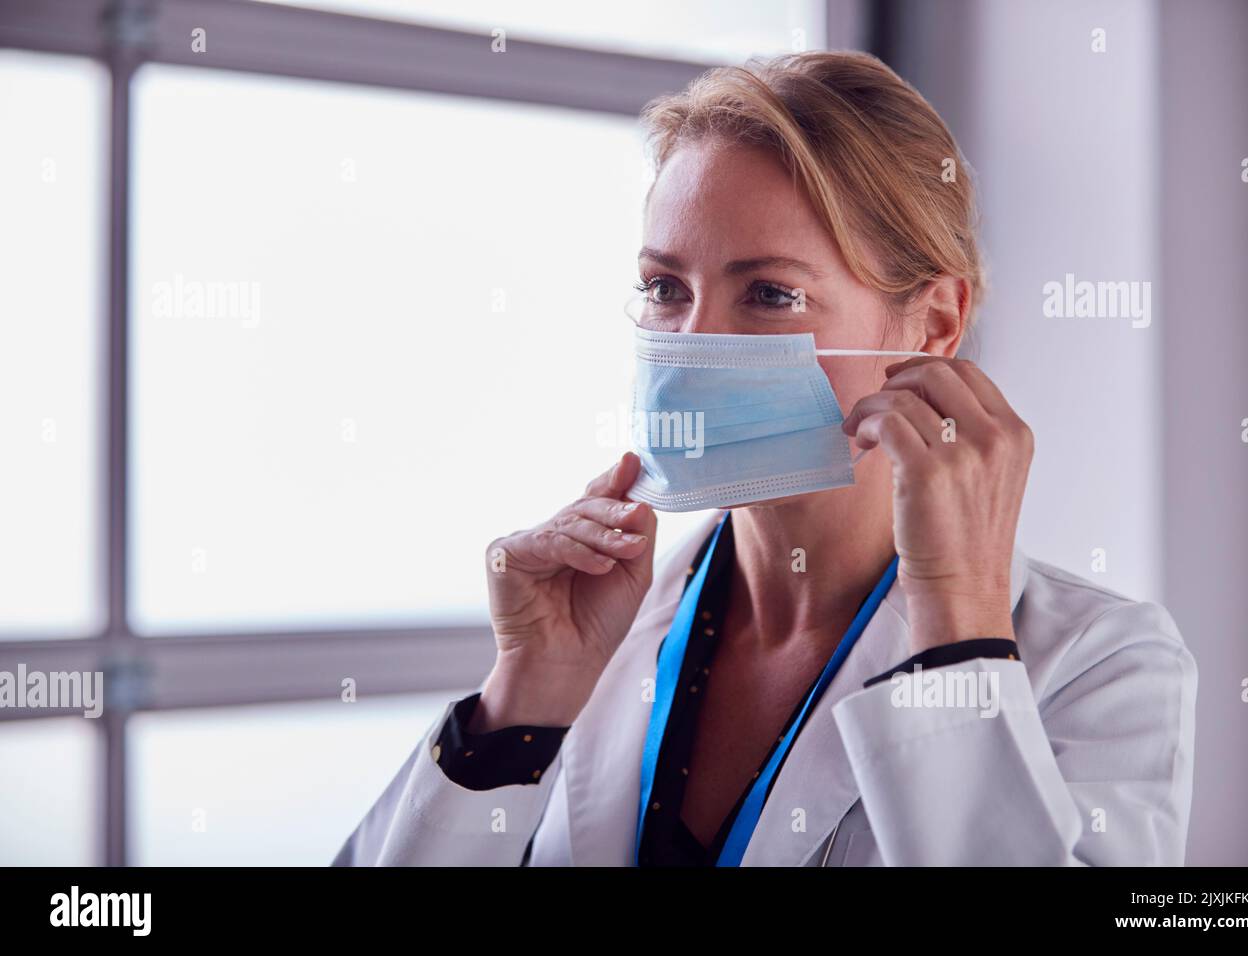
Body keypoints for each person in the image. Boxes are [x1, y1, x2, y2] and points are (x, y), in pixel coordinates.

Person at [334, 51, 1195, 867]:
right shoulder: (596, 632)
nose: (695, 341)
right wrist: (522, 702)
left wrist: (958, 630)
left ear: (932, 323)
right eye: (666, 288)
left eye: (771, 294)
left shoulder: (1102, 662)